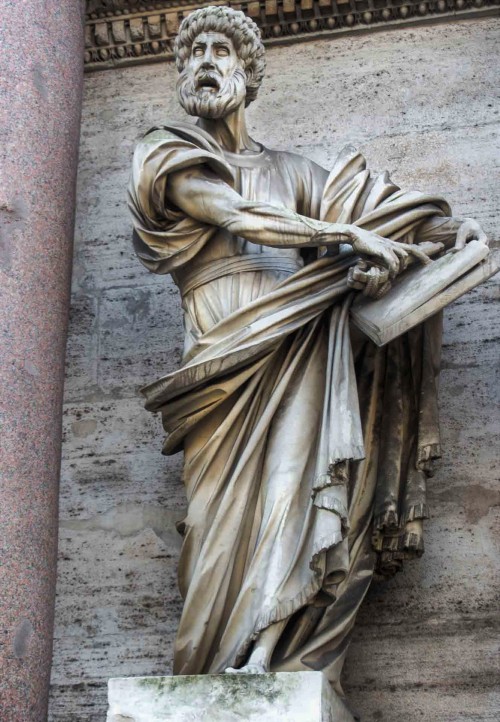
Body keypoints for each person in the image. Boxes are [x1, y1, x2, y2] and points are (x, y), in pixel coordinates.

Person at [128, 5, 488, 692]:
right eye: (194, 51)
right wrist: (350, 240)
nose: (205, 60)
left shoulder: (296, 171)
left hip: (301, 346)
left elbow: (373, 208)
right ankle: (210, 664)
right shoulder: (163, 152)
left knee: (293, 496)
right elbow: (236, 213)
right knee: (213, 523)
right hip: (222, 358)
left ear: (248, 74)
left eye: (221, 51)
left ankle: (270, 656)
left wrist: (444, 231)